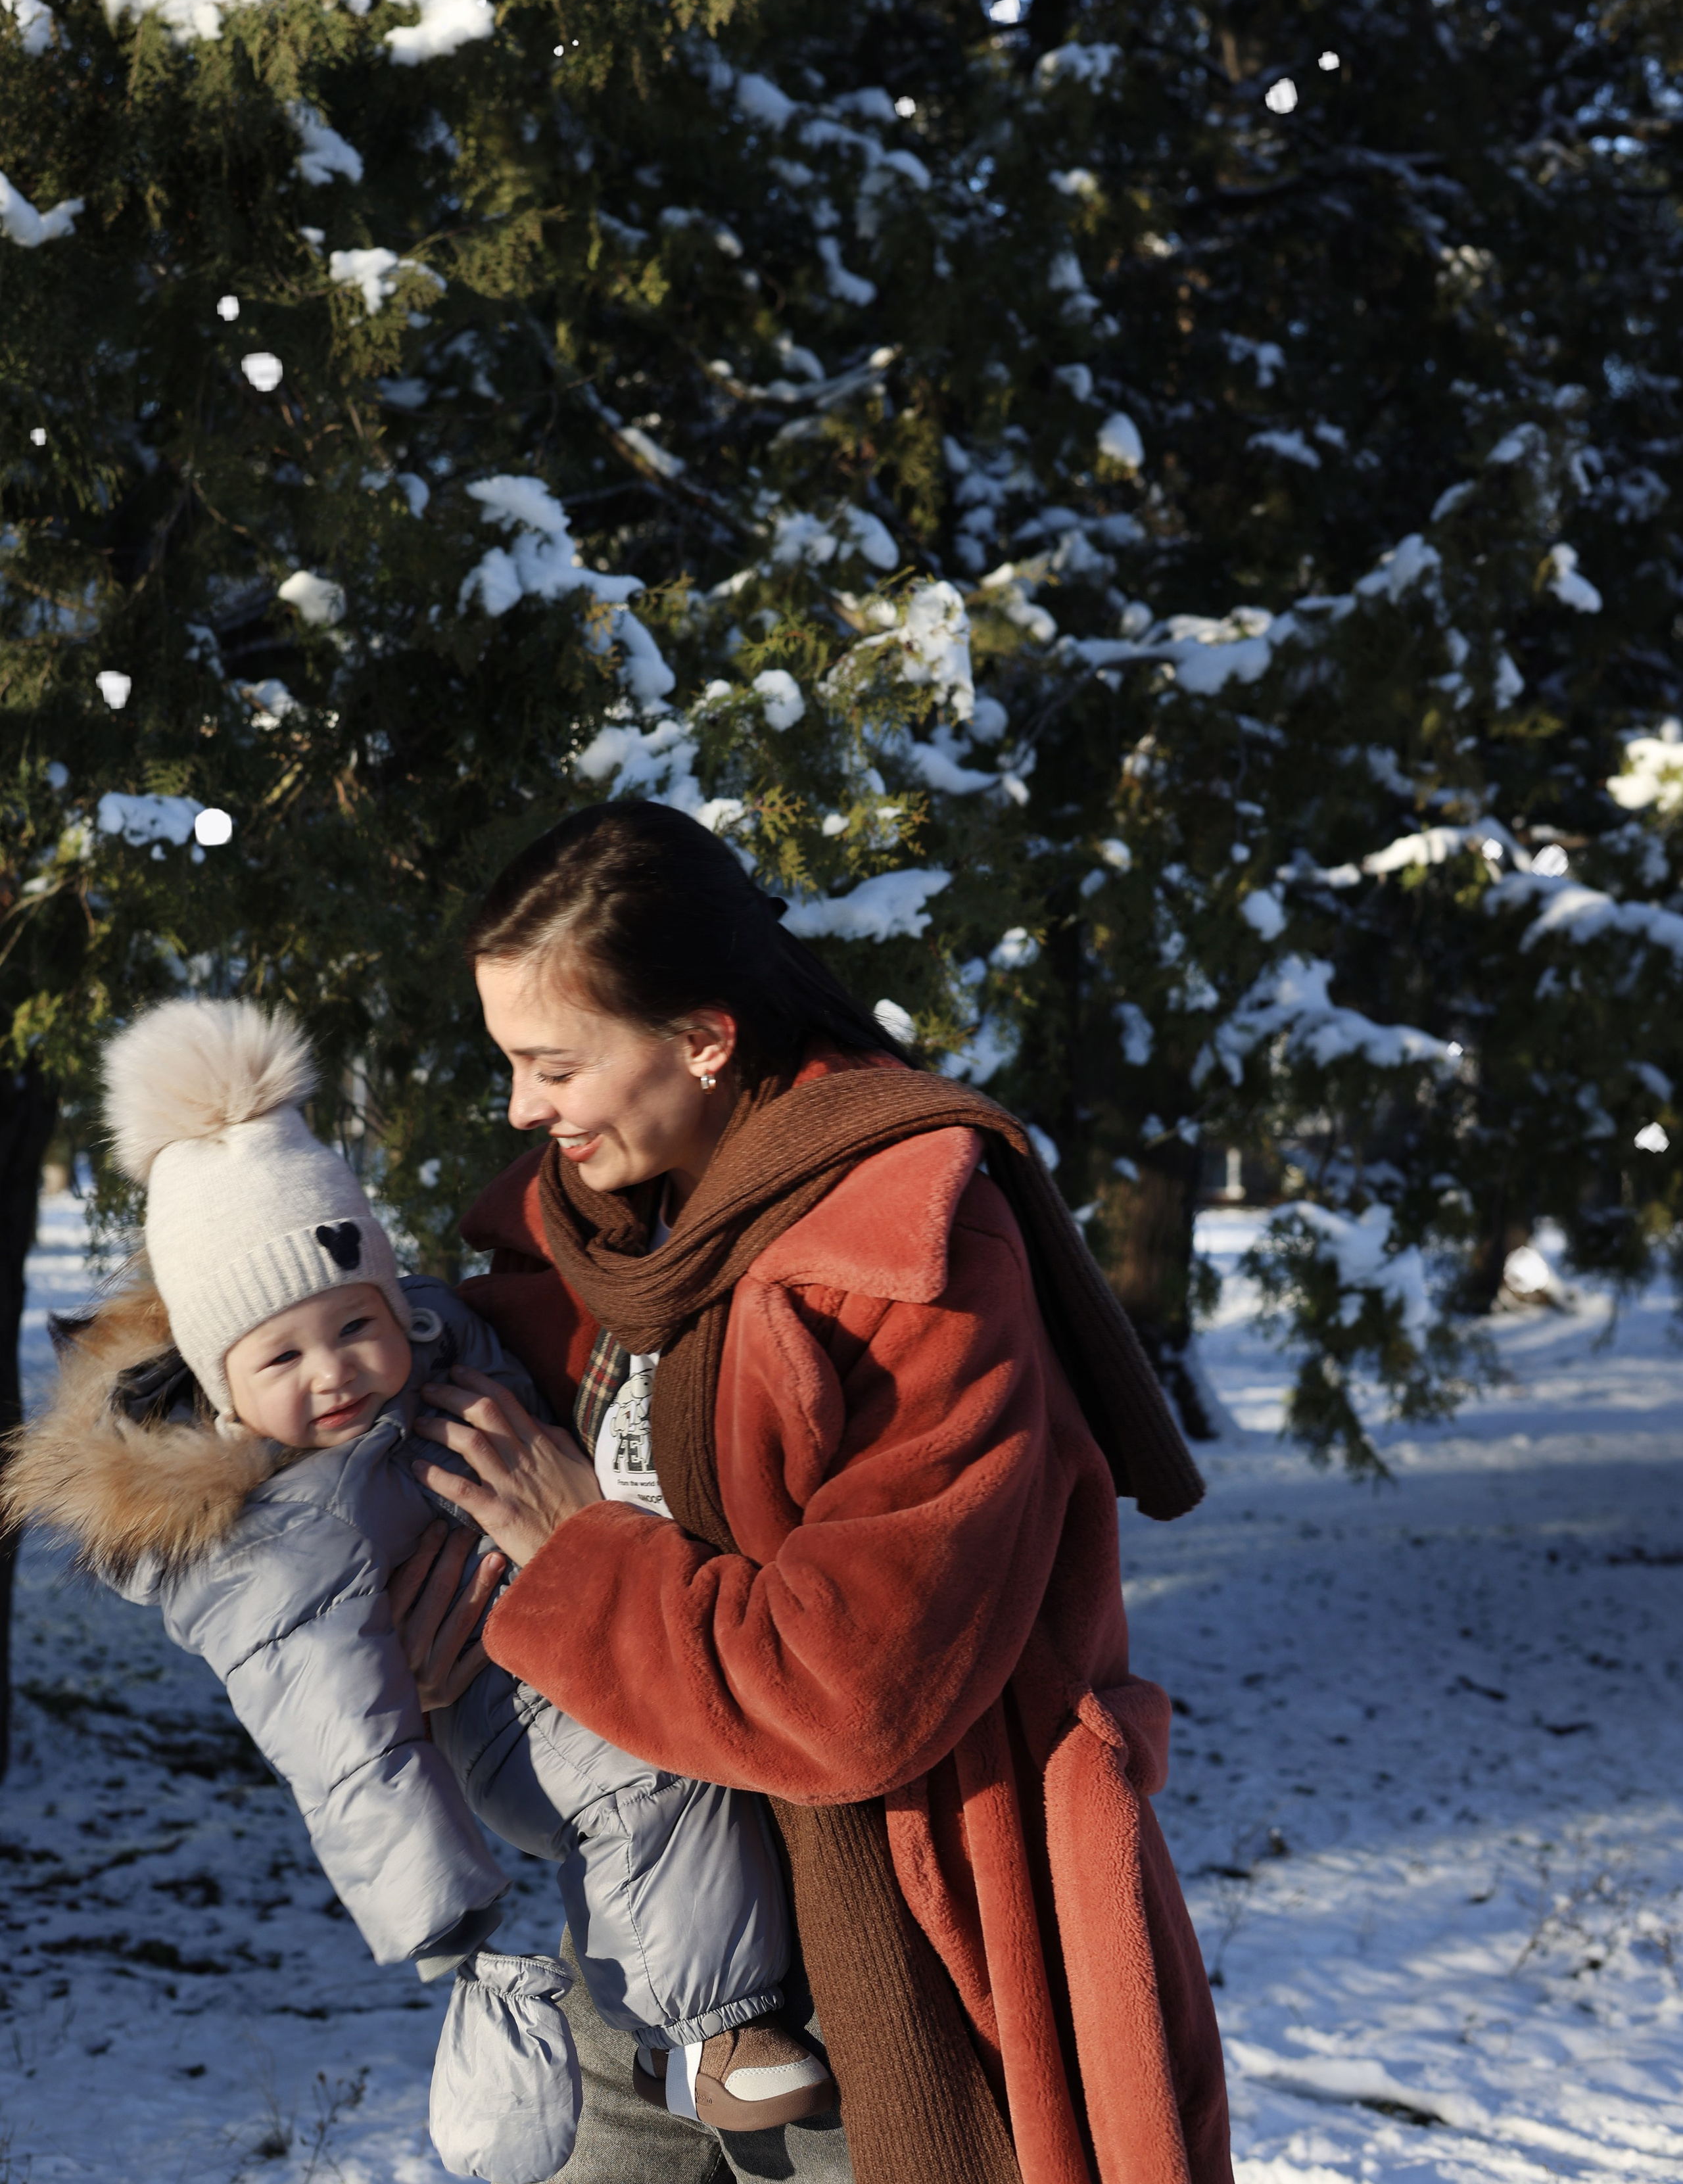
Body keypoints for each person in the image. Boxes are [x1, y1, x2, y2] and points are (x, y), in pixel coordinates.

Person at [404, 799, 1233, 2184]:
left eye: (552, 1063)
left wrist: (569, 1552)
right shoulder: (592, 1239)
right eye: (507, 1061)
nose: (519, 1110)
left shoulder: (912, 1252)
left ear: (703, 1039)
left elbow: (855, 1686)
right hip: (636, 1930)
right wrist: (440, 1627)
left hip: (876, 1952)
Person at [1, 997, 833, 2179]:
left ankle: (672, 2033)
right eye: (284, 1354)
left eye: (358, 1323)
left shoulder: (440, 1346)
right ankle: (711, 2030)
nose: (335, 1370)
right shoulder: (272, 1538)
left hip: (555, 1641)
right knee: (647, 1783)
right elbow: (343, 1742)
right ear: (222, 1383)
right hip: (486, 1710)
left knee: (661, 1786)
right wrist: (449, 1918)